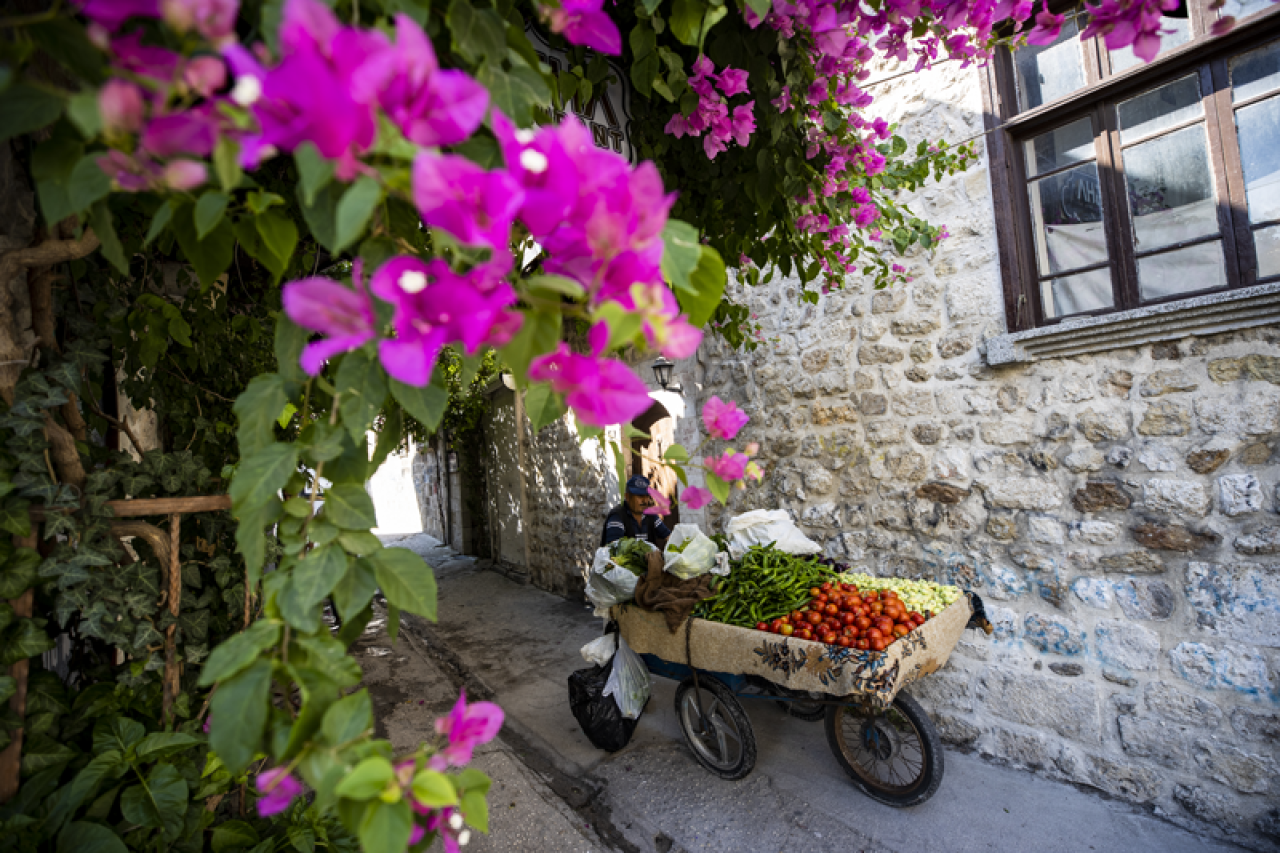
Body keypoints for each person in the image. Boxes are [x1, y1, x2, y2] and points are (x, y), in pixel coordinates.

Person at [600, 475, 671, 548]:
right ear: (627, 497)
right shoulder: (617, 516)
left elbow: (669, 537)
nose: (644, 501)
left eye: (646, 496)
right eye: (640, 496)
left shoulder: (650, 515)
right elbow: (614, 547)